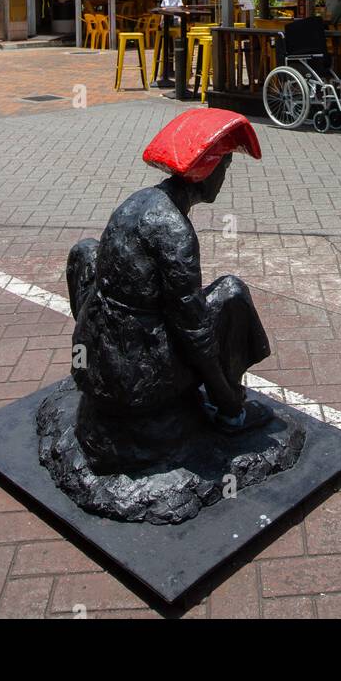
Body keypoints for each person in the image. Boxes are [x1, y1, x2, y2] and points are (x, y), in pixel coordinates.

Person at [65, 108, 271, 474]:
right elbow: (193, 327)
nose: (225, 176)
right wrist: (225, 397)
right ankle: (231, 413)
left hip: (98, 359)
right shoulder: (175, 230)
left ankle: (102, 370)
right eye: (224, 167)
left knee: (86, 249)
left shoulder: (136, 202)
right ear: (207, 171)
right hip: (136, 377)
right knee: (231, 293)